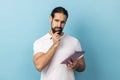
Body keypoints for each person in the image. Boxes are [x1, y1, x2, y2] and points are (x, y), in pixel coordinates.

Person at [33, 6, 85, 80]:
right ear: (51, 19)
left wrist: (76, 66)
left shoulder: (74, 41)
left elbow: (82, 67)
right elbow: (39, 66)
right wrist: (54, 45)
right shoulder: (40, 42)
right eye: (56, 21)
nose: (59, 25)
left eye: (62, 22)